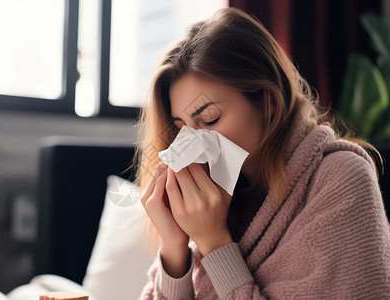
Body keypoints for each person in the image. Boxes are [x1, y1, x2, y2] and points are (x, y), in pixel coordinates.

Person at [134, 7, 390, 299]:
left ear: (267, 101)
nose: (193, 146)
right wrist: (174, 249)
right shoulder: (218, 196)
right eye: (183, 129)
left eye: (210, 119)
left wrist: (214, 242)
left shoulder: (341, 179)